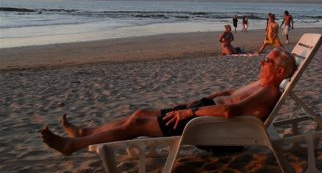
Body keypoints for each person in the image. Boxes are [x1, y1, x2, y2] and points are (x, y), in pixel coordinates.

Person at [40, 48, 297, 156]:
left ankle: (73, 145)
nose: (262, 62)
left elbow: (231, 111)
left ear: (280, 72)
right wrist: (198, 103)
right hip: (202, 113)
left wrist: (189, 113)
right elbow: (231, 93)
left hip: (209, 127)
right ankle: (86, 132)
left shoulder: (269, 91)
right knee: (141, 112)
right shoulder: (264, 83)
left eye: (269, 61)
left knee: (137, 123)